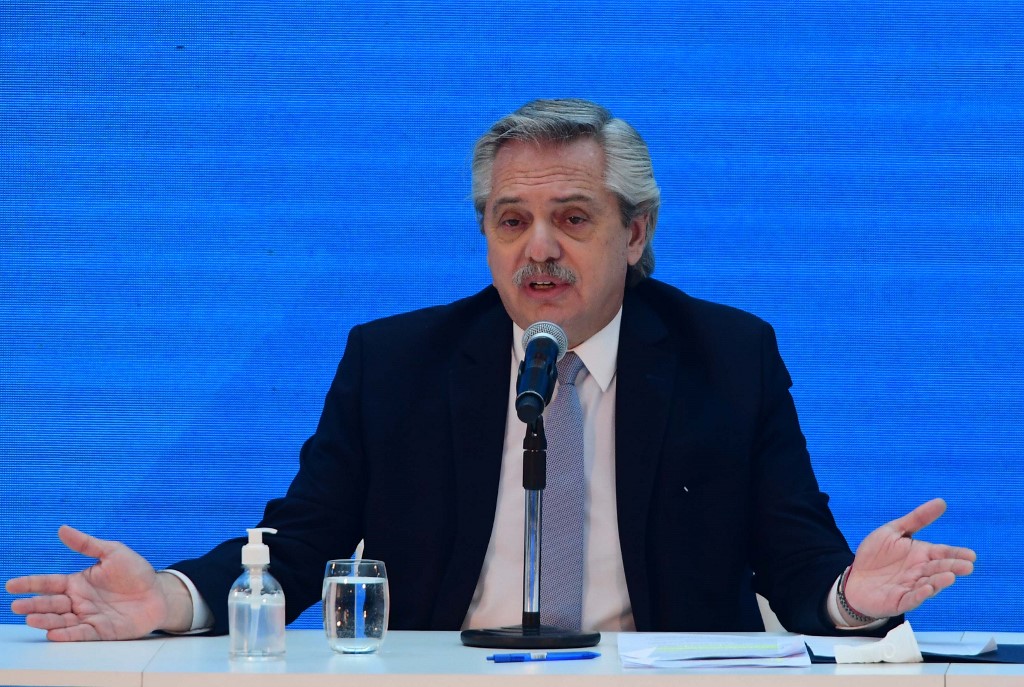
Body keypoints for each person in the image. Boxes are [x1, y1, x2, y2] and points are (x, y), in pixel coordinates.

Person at [6, 99, 975, 642]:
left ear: (636, 234)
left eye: (573, 217)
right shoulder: (396, 362)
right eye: (512, 220)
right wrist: (170, 599)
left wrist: (855, 597)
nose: (538, 248)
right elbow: (299, 547)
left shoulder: (728, 356)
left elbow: (800, 564)